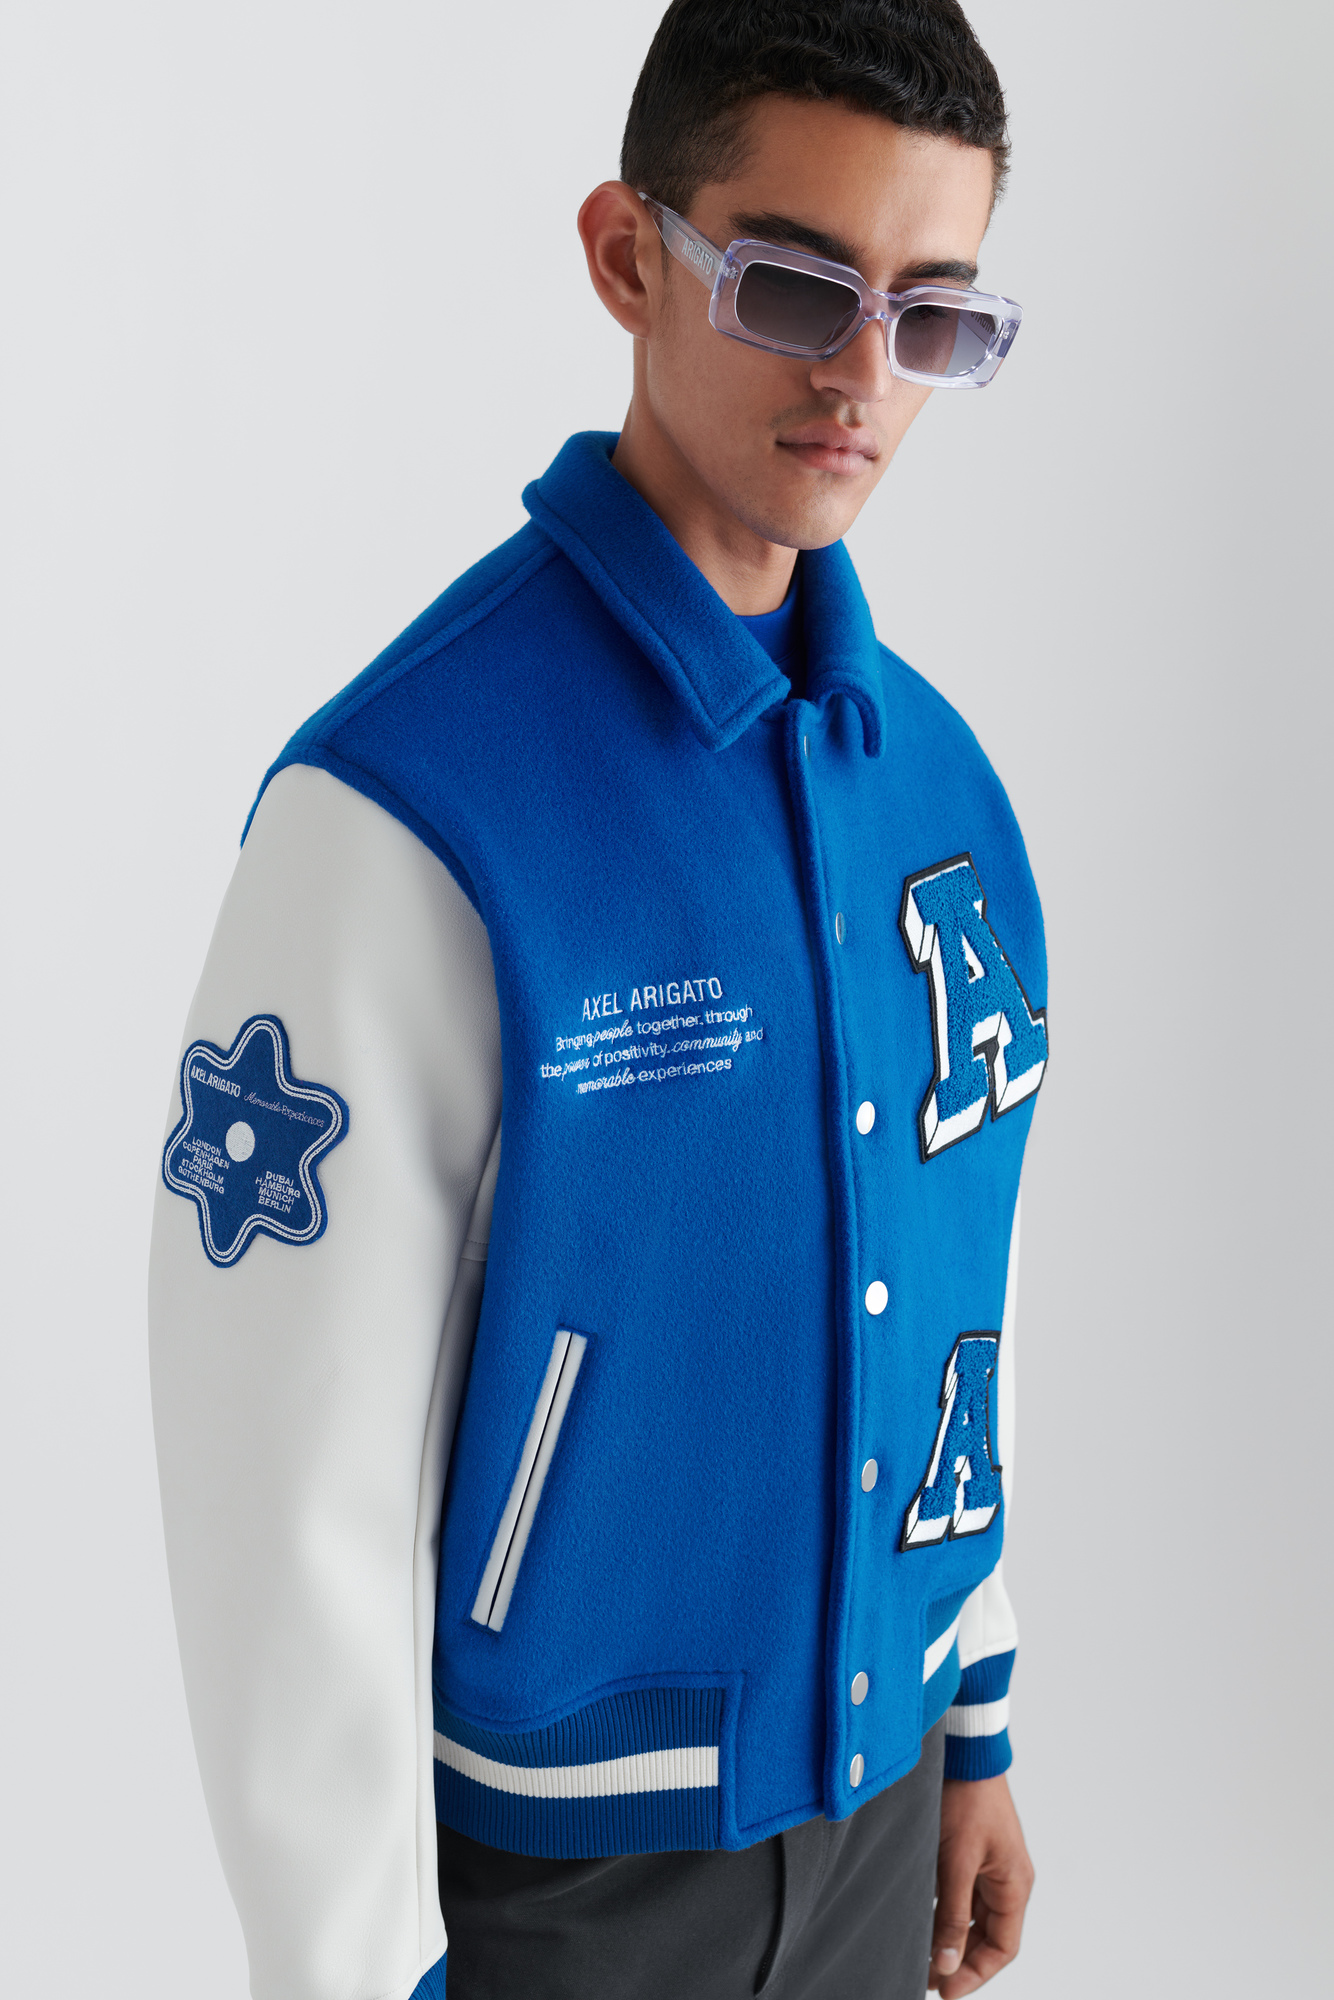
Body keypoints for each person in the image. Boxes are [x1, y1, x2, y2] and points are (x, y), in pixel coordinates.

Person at [148, 4, 1046, 1995]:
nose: (861, 376)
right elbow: (279, 1480)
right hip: (556, 1884)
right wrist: (354, 1966)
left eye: (930, 314)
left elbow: (948, 1285)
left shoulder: (938, 793)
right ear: (629, 256)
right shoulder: (406, 811)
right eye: (796, 286)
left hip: (879, 1807)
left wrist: (970, 1704)